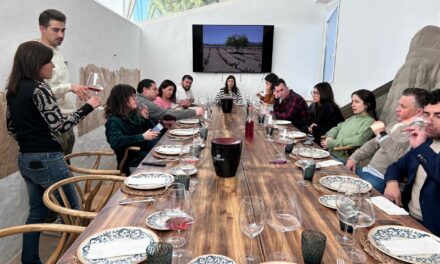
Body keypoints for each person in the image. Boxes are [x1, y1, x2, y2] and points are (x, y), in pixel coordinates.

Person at [6, 41, 100, 264]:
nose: (53, 67)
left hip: (26, 159)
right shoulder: (39, 89)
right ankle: (76, 259)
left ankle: (29, 261)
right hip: (47, 158)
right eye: (48, 62)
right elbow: (60, 125)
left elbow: (11, 127)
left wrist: (31, 139)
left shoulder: (14, 90)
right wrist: (89, 107)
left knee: (36, 214)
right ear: (35, 63)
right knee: (73, 212)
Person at [346, 88, 429, 193]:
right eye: (398, 105)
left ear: (419, 112)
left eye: (403, 107)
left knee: (345, 192)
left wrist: (382, 135)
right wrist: (353, 158)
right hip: (365, 170)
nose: (396, 109)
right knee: (332, 169)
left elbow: (402, 162)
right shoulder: (395, 123)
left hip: (380, 178)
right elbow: (373, 143)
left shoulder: (419, 133)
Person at [383, 89, 440, 236]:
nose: (429, 120)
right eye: (427, 114)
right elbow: (395, 167)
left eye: (438, 116)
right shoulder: (426, 143)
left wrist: (420, 148)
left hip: (432, 230)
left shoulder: (422, 146)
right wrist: (391, 182)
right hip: (407, 217)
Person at [38, 9, 89, 157]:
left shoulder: (57, 51)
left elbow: (58, 84)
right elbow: (40, 95)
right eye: (55, 30)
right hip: (53, 124)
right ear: (42, 28)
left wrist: (72, 88)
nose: (61, 35)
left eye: (63, 30)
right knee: (59, 171)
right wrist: (69, 87)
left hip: (67, 119)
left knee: (65, 164)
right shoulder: (38, 53)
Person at [105, 84, 160, 175]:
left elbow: (156, 132)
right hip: (133, 162)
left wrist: (147, 119)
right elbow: (116, 141)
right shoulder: (113, 121)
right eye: (132, 97)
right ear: (122, 100)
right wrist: (142, 137)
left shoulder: (133, 115)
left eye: (135, 96)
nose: (136, 99)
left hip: (147, 154)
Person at [321, 89, 377, 161]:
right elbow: (337, 128)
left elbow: (358, 140)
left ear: (367, 105)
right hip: (330, 153)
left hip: (343, 159)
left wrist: (332, 143)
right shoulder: (352, 118)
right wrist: (330, 137)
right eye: (352, 101)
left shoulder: (370, 121)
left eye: (356, 102)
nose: (352, 105)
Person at [136, 79, 204, 121]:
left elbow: (153, 130)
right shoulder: (145, 104)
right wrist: (194, 112)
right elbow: (166, 113)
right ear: (145, 90)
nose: (157, 92)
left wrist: (163, 126)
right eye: (154, 89)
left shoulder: (144, 101)